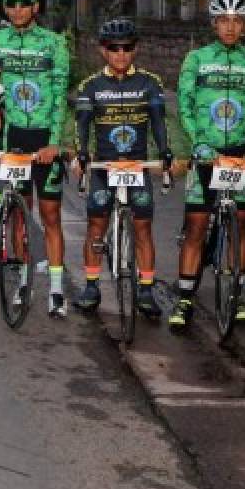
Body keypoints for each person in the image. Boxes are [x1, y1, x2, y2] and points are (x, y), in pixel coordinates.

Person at [171, 0, 245, 331]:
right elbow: (183, 105)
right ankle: (185, 297)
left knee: (240, 223)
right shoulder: (195, 60)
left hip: (238, 156)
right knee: (197, 227)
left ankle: (237, 294)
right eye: (224, 21)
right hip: (205, 153)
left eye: (237, 21)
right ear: (214, 24)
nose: (230, 28)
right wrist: (197, 141)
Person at [0, 0, 72, 317]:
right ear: (5, 7)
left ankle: (58, 290)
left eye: (24, 3)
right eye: (11, 3)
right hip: (13, 136)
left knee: (50, 216)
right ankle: (22, 280)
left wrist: (55, 142)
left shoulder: (54, 43)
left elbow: (61, 95)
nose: (18, 9)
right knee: (19, 212)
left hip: (44, 136)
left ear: (35, 6)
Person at [71, 18, 172, 316]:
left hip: (137, 165)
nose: (121, 54)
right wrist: (82, 153)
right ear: (103, 51)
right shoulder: (90, 86)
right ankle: (91, 286)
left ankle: (146, 290)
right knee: (96, 226)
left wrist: (166, 151)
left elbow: (158, 123)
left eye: (127, 48)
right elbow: (82, 127)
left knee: (142, 228)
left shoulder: (150, 83)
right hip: (104, 166)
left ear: (135, 49)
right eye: (114, 48)